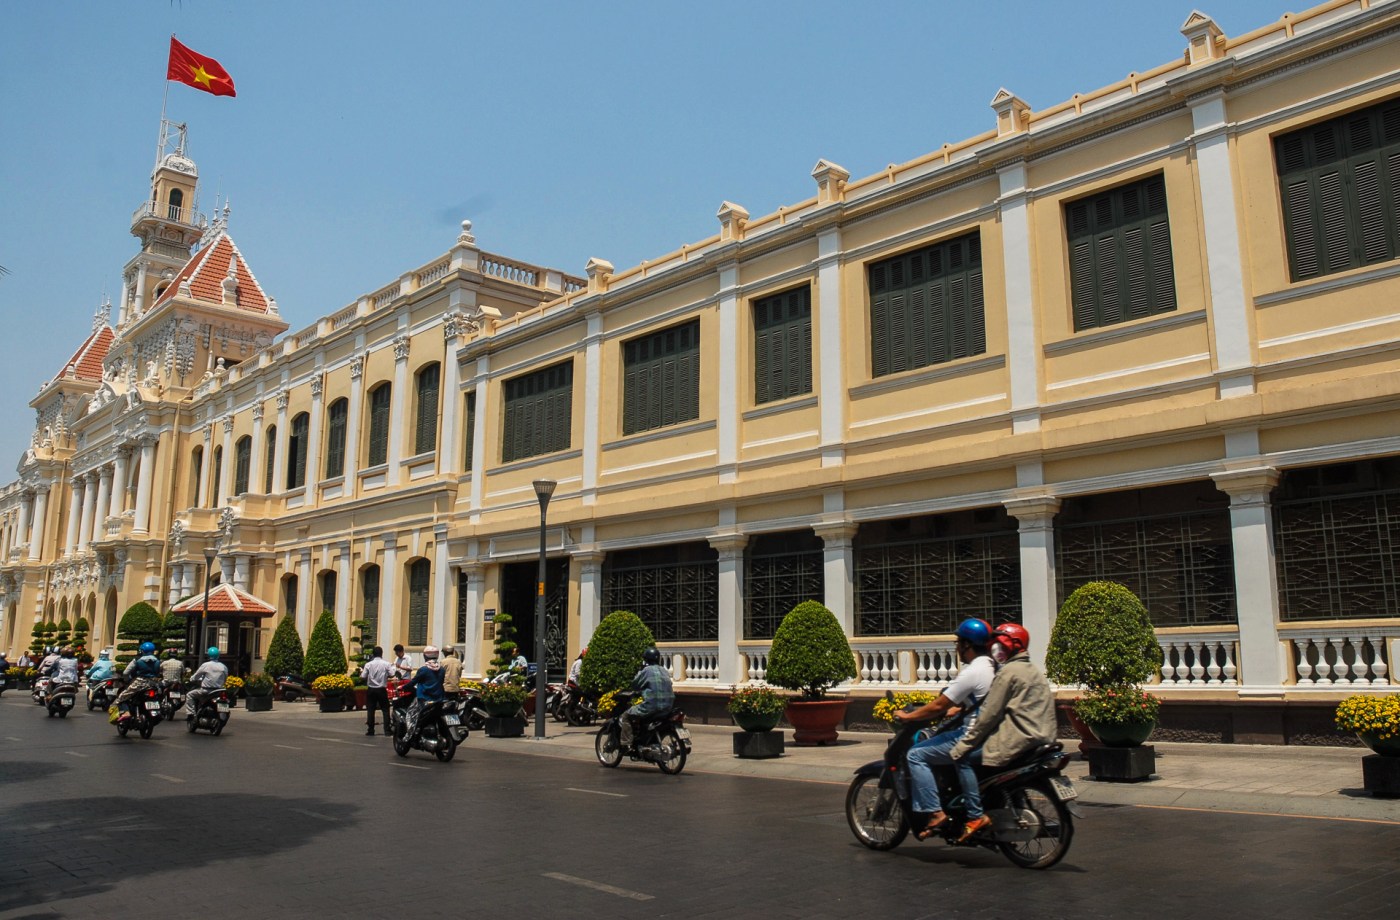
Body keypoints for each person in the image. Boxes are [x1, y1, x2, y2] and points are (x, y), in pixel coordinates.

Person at [949, 622, 1058, 841]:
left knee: (963, 758)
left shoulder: (1008, 673)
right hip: (1042, 738)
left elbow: (988, 716)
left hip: (1019, 739)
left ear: (1009, 646)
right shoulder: (1033, 670)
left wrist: (964, 745)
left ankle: (974, 815)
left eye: (999, 644)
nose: (995, 649)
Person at [894, 618, 996, 841]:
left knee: (916, 754)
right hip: (992, 733)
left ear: (967, 645)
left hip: (972, 736)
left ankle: (936, 812)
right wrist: (960, 711)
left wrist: (908, 716)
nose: (956, 647)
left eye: (958, 642)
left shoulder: (972, 671)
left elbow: (940, 704)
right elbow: (983, 702)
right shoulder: (993, 666)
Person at [619, 648, 674, 750]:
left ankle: (626, 744)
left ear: (646, 660)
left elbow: (635, 684)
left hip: (652, 706)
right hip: (668, 707)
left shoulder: (645, 671)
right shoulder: (664, 670)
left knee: (626, 716)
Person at [403, 646, 445, 741]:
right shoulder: (441, 669)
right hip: (439, 698)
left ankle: (411, 733)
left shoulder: (423, 670)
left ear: (425, 656)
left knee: (411, 714)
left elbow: (414, 681)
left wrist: (404, 687)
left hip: (425, 699)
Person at [115, 641, 162, 721]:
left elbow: (126, 672)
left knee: (121, 697)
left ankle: (126, 713)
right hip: (154, 684)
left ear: (142, 650)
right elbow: (159, 672)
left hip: (139, 683)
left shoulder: (137, 660)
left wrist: (126, 680)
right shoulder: (158, 661)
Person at [184, 647, 229, 718]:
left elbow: (196, 676)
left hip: (206, 690)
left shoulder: (206, 665)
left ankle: (191, 714)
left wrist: (191, 679)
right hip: (219, 691)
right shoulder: (223, 666)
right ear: (218, 655)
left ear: (208, 655)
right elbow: (225, 678)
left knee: (189, 695)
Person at [361, 646, 391, 736]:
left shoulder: (368, 664)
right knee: (385, 709)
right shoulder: (386, 664)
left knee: (371, 709)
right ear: (381, 654)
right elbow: (392, 674)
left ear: (373, 654)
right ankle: (387, 730)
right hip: (381, 689)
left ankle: (371, 730)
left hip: (371, 689)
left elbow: (363, 676)